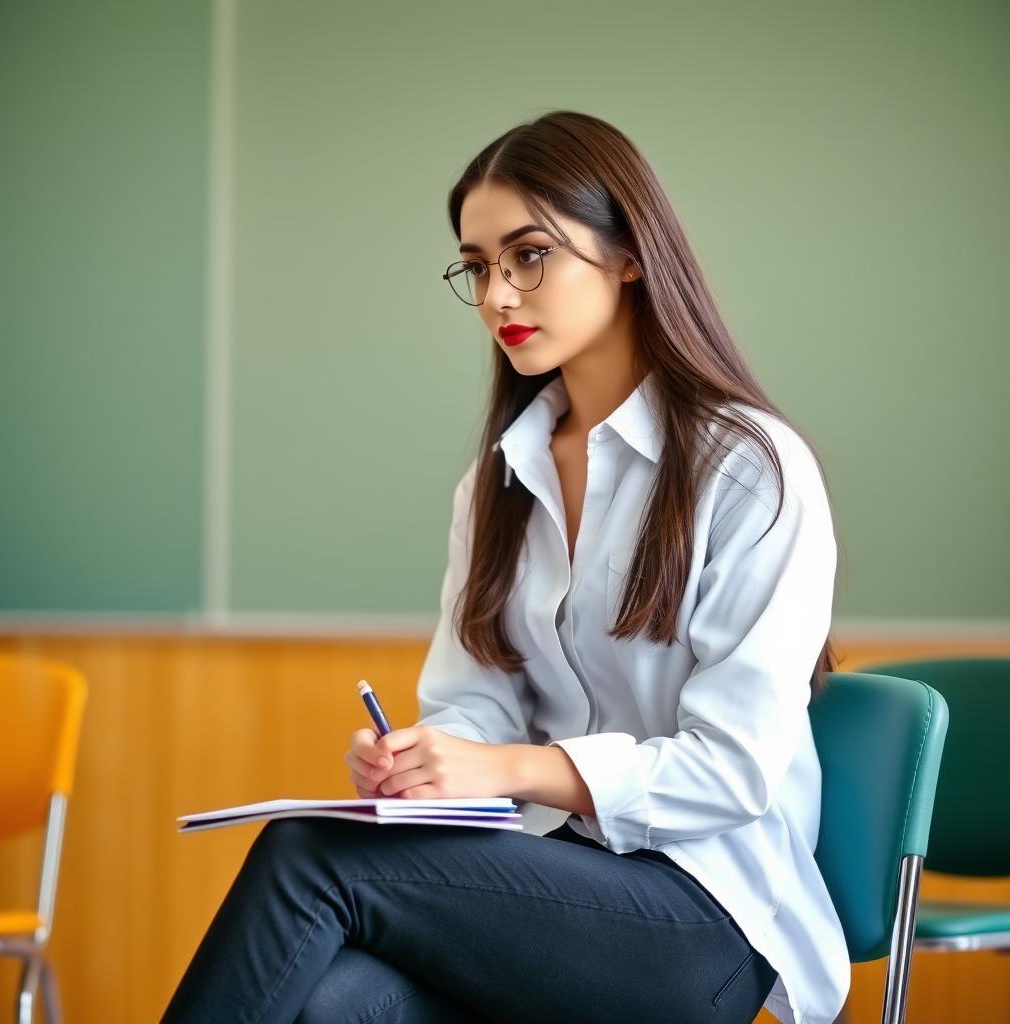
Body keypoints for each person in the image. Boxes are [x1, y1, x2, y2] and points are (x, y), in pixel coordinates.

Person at [161, 109, 849, 1024]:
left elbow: (731, 771)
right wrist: (427, 764)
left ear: (629, 254)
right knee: (337, 1002)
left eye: (529, 256)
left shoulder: (750, 468)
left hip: (705, 921)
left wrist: (511, 769)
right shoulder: (500, 482)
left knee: (308, 856)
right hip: (548, 891)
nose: (497, 297)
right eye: (478, 267)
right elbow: (475, 704)